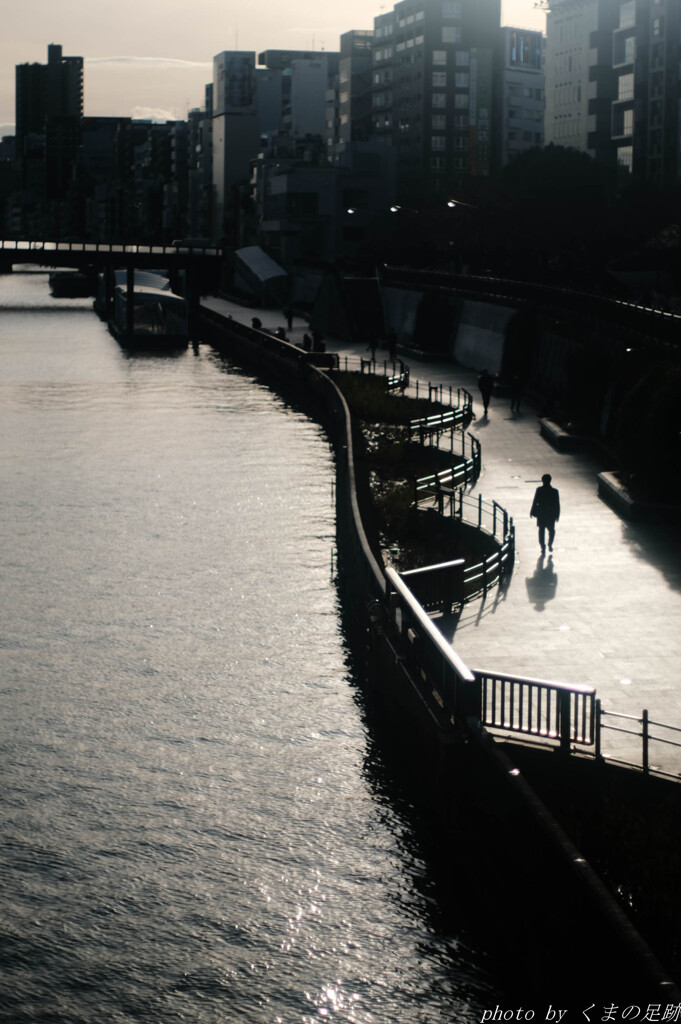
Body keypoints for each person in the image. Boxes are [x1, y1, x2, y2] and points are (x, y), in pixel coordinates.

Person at [530, 474, 560, 555]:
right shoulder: (555, 491)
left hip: (541, 514)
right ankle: (549, 544)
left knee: (541, 531)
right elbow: (557, 504)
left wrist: (532, 511)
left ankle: (543, 546)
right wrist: (557, 515)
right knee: (552, 531)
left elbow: (535, 501)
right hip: (551, 515)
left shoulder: (539, 490)